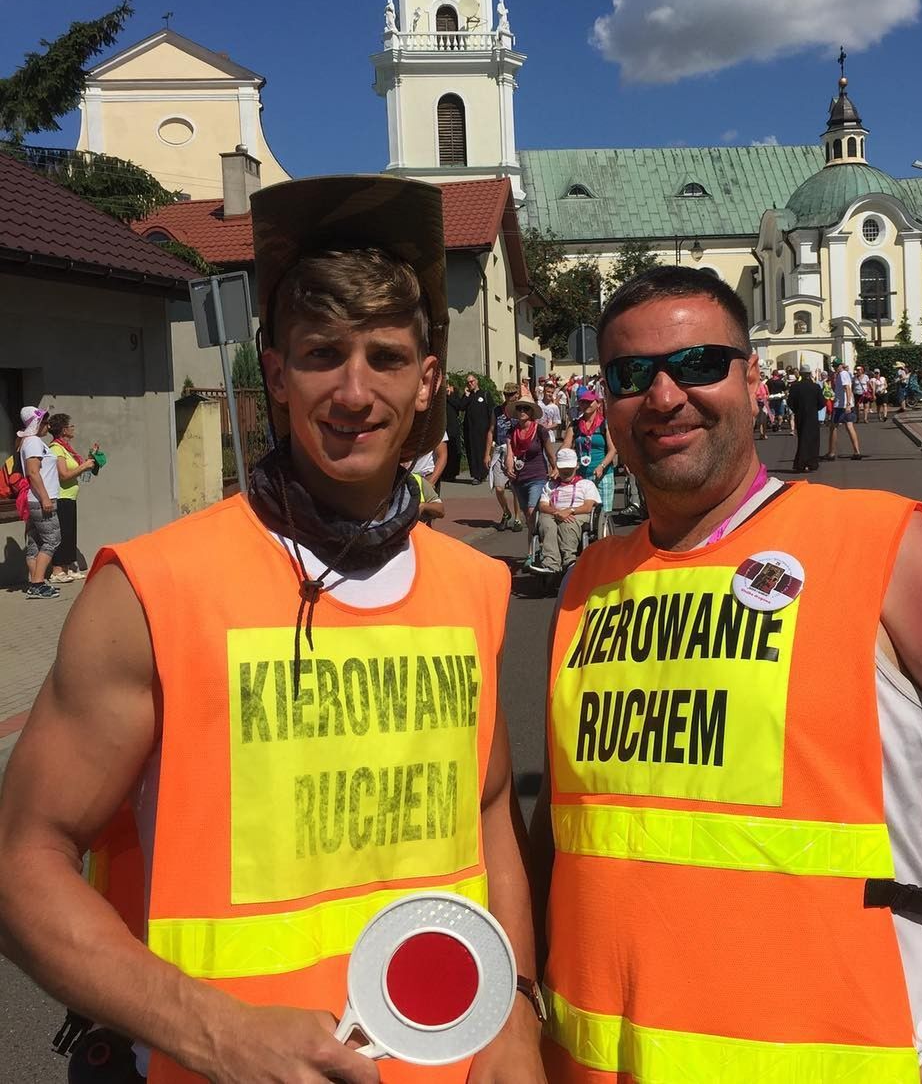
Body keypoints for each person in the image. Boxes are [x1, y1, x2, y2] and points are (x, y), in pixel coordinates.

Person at [0, 175, 546, 1084]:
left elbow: (490, 816)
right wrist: (216, 1032)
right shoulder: (154, 589)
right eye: (324, 354)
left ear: (428, 381)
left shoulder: (475, 585)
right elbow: (23, 861)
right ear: (278, 372)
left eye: (386, 356)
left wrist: (519, 1007)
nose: (355, 390)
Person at [530, 265, 922, 1082]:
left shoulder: (877, 546)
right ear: (603, 402)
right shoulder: (590, 582)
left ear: (754, 381)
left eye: (700, 362)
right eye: (631, 374)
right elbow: (573, 829)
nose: (665, 394)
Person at [530, 448, 601, 575]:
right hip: (554, 513)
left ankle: (569, 560)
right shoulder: (550, 486)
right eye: (563, 468)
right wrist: (557, 512)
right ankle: (551, 564)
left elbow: (588, 506)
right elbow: (543, 505)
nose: (566, 471)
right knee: (545, 522)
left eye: (570, 468)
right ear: (557, 467)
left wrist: (570, 511)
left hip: (578, 513)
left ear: (577, 466)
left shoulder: (586, 484)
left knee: (568, 523)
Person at [46, 413, 98, 582]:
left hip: (70, 497)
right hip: (61, 497)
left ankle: (67, 568)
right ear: (63, 430)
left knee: (69, 533)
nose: (73, 428)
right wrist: (83, 466)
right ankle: (57, 571)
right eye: (71, 425)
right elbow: (64, 475)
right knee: (62, 533)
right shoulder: (56, 448)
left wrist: (90, 459)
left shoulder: (67, 448)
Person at [17, 406, 62, 600]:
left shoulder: (29, 442)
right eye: (45, 421)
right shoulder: (34, 442)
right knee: (52, 540)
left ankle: (36, 581)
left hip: (35, 500)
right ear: (36, 423)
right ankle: (37, 584)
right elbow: (33, 472)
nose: (48, 425)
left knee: (35, 542)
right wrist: (45, 498)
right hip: (41, 499)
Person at [505, 397, 557, 550]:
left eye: (525, 409)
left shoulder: (540, 430)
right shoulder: (512, 431)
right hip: (519, 479)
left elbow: (549, 452)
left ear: (532, 412)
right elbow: (509, 452)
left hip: (537, 476)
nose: (522, 411)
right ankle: (534, 547)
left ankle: (534, 549)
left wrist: (555, 468)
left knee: (531, 510)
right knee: (528, 518)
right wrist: (509, 468)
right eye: (519, 408)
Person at [564, 389, 615, 516]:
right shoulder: (575, 425)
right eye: (582, 402)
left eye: (589, 402)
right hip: (581, 476)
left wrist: (601, 466)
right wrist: (560, 461)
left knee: (603, 514)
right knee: (583, 514)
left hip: (602, 475)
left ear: (598, 404)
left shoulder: (605, 424)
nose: (585, 405)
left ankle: (604, 536)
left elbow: (613, 449)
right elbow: (566, 446)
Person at [484, 381, 524, 533]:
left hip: (515, 451)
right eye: (507, 394)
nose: (509, 397)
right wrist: (487, 453)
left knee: (515, 488)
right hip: (500, 451)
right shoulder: (497, 410)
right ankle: (506, 512)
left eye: (512, 394)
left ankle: (518, 518)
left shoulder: (521, 410)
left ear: (517, 394)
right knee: (499, 488)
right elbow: (491, 431)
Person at [448, 373, 495, 483]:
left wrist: (492, 428)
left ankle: (482, 473)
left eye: (472, 381)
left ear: (476, 381)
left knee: (481, 451)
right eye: (468, 382)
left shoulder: (485, 394)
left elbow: (491, 411)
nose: (470, 384)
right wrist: (466, 395)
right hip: (470, 429)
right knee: (472, 452)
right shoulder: (468, 396)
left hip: (483, 429)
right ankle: (475, 474)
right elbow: (461, 407)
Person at [787, 366, 825, 472]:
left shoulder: (795, 387)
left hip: (800, 415)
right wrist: (815, 409)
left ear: (801, 374)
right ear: (809, 374)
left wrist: (796, 410)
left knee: (802, 439)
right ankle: (812, 463)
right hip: (812, 416)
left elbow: (790, 402)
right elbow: (822, 403)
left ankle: (801, 463)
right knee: (813, 440)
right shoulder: (815, 387)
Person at [826, 358, 862, 460]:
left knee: (834, 427)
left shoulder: (843, 374)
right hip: (844, 404)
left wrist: (848, 403)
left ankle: (831, 453)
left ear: (841, 365)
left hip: (841, 405)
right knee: (849, 426)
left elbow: (847, 388)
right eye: (834, 366)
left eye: (836, 365)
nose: (835, 367)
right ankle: (856, 452)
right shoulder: (841, 374)